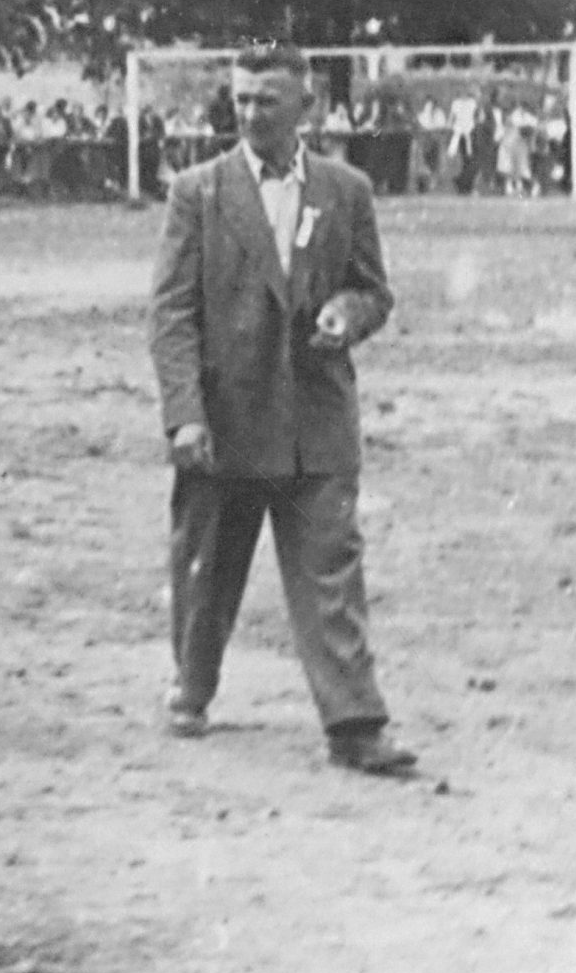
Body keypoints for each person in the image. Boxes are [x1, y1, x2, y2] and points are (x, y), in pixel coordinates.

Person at [148, 46, 417, 778]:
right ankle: (193, 686)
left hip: (315, 423)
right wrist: (185, 416)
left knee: (332, 574)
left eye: (267, 100)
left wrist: (346, 313)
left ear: (309, 107)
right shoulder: (197, 194)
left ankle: (355, 726)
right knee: (206, 575)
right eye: (241, 99)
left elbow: (375, 291)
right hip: (223, 427)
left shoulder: (346, 190)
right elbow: (171, 314)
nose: (250, 113)